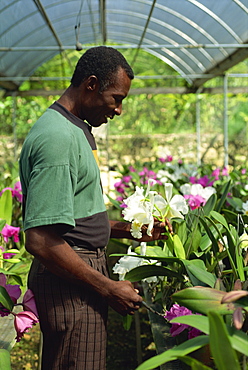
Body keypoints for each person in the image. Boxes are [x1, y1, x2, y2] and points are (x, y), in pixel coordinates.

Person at [19, 46, 167, 370]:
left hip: (77, 274)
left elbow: (69, 215)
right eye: (116, 98)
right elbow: (41, 239)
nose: (118, 110)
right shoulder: (58, 138)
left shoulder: (74, 128)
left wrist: (127, 229)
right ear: (91, 84)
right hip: (70, 282)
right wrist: (108, 287)